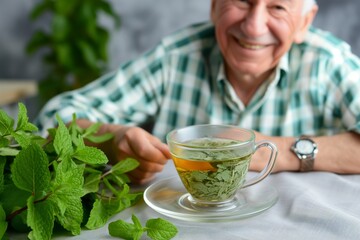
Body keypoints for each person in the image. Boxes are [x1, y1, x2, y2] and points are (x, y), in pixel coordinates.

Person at [36, 0, 360, 184]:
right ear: (215, 6)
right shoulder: (175, 58)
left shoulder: (328, 63)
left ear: (304, 22)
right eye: (242, 1)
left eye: (277, 7)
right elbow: (53, 118)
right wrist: (110, 140)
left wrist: (276, 152)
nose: (253, 26)